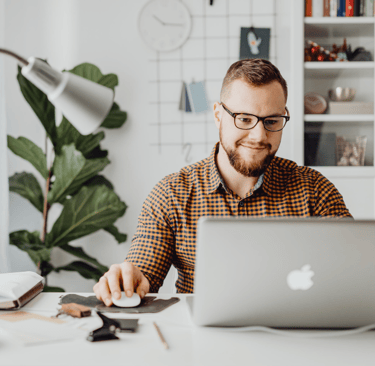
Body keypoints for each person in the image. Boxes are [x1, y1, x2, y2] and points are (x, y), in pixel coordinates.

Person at [94, 59, 351, 306]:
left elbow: (356, 272)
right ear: (218, 115)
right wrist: (127, 280)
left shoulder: (315, 190)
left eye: (272, 121)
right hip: (202, 342)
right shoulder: (171, 194)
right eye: (244, 119)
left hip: (296, 338)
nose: (259, 136)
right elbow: (143, 275)